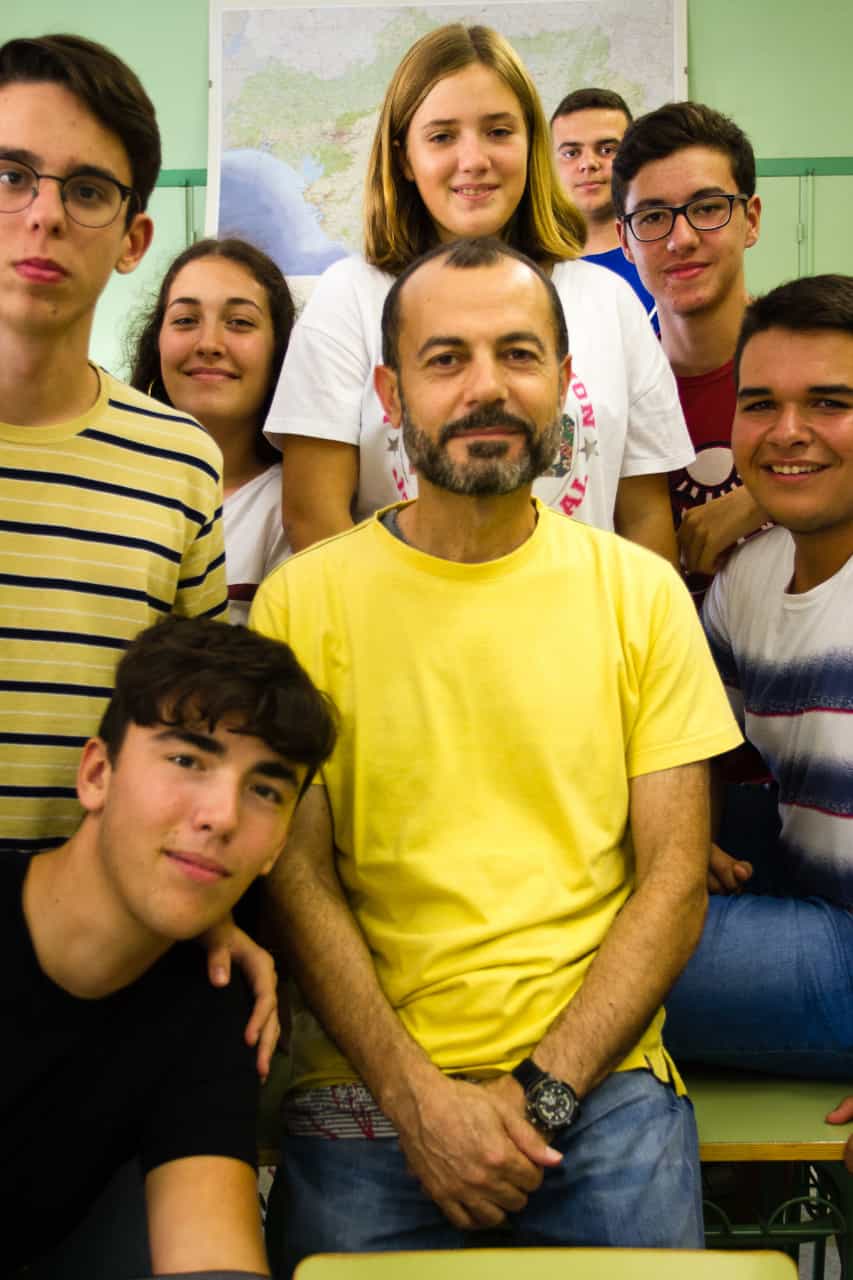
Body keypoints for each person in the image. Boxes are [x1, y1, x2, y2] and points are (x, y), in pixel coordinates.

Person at [251, 237, 742, 1271]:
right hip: (365, 1088)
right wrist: (416, 1097)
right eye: (445, 359)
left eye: (518, 355)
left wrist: (540, 1092)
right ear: (388, 392)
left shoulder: (640, 596)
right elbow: (294, 876)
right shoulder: (303, 602)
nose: (486, 388)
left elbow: (672, 883)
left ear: (563, 384)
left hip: (599, 1088)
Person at [266, 23, 694, 563]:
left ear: (531, 142)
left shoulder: (609, 301)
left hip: (578, 640)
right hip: (404, 639)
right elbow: (313, 513)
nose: (474, 160)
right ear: (405, 158)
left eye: (498, 131)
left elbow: (646, 519)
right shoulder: (350, 296)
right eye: (443, 136)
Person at [3, 615, 336, 1278]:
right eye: (187, 760)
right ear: (97, 774)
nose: (222, 815)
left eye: (265, 789)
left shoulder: (214, 998)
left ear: (277, 846)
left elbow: (212, 1255)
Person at [0, 34, 227, 854]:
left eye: (87, 189)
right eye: (10, 176)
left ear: (134, 240)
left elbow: (191, 731)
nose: (45, 214)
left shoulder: (181, 462)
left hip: (94, 923)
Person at [664, 274, 853, 1079]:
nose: (786, 433)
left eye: (827, 403)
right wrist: (689, 841)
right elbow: (696, 744)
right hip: (802, 883)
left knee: (572, 965)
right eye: (759, 404)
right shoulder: (749, 578)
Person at [612, 102, 767, 599]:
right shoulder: (610, 393)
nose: (681, 239)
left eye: (706, 208)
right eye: (653, 217)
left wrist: (762, 497)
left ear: (751, 220)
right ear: (625, 241)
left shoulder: (822, 357)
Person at [129, 238, 293, 623]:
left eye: (239, 322)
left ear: (279, 350)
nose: (209, 344)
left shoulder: (294, 508)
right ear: (157, 343)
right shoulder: (105, 482)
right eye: (186, 320)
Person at [550, 87, 657, 327]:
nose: (588, 163)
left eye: (607, 150)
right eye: (571, 153)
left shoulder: (663, 255)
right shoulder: (531, 264)